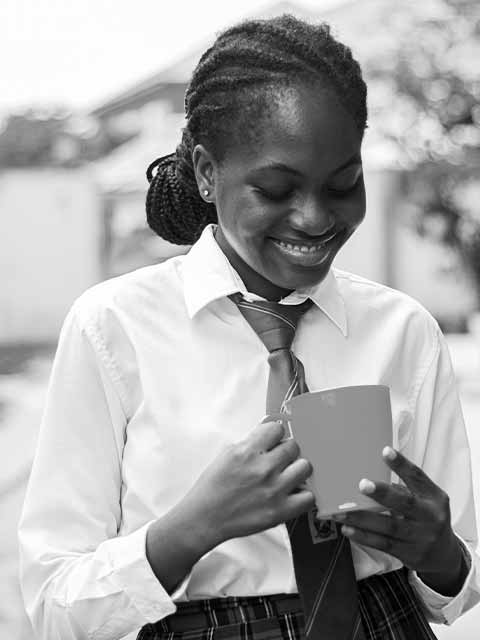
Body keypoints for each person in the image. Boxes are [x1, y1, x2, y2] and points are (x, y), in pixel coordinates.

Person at [18, 13, 480, 640]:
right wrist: (192, 528)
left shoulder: (403, 331)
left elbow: (456, 588)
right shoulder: (114, 328)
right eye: (276, 188)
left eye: (343, 184)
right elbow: (52, 606)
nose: (316, 218)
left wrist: (440, 552)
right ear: (208, 173)